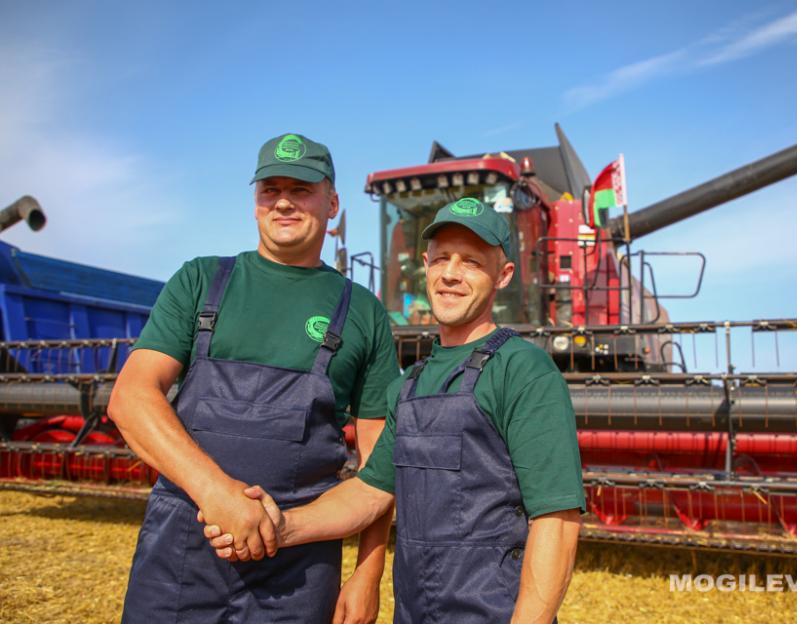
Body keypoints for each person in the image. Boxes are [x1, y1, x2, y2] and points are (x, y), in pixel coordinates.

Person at [205, 196, 585, 623]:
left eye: (472, 262)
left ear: (504, 274)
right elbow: (370, 493)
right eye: (441, 259)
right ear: (425, 265)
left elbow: (557, 518)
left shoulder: (523, 370)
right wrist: (281, 526)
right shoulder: (409, 385)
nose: (451, 275)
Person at [109, 133, 401, 624]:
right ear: (255, 202)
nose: (284, 200)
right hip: (183, 551)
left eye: (301, 188)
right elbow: (131, 398)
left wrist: (367, 574)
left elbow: (379, 463)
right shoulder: (200, 281)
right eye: (270, 189)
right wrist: (217, 494)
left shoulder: (363, 313)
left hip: (299, 568)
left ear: (332, 203)